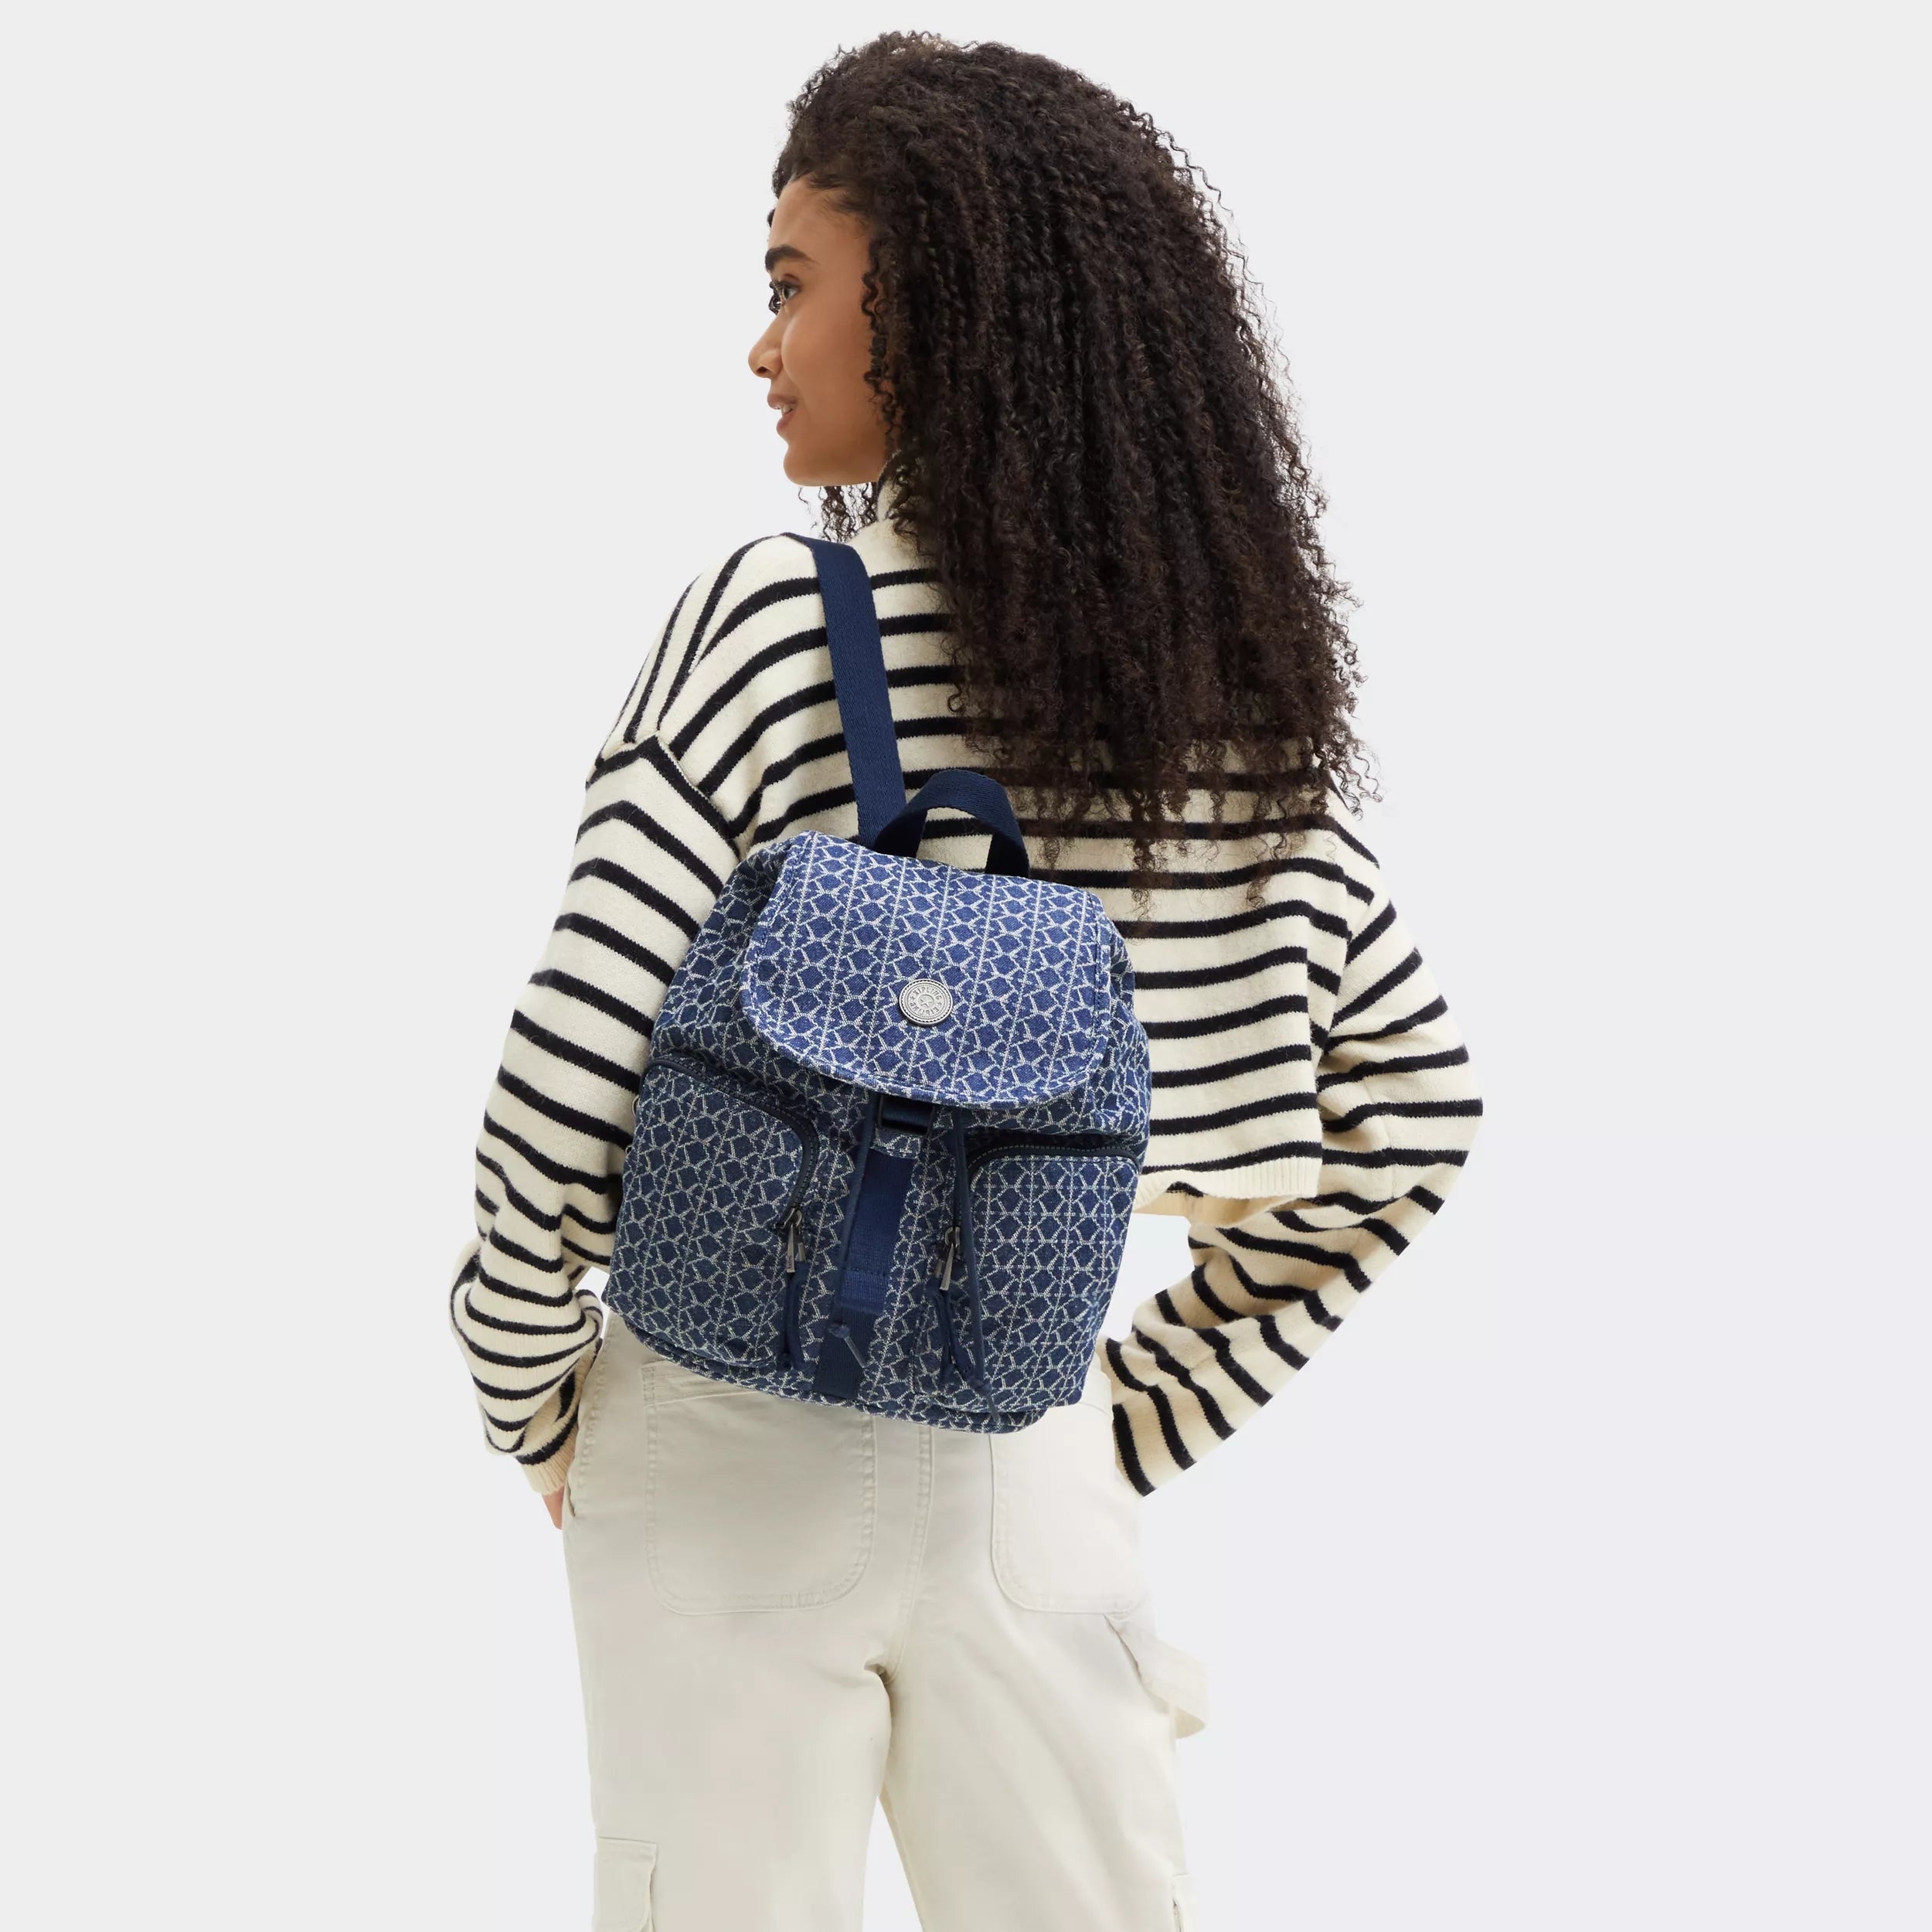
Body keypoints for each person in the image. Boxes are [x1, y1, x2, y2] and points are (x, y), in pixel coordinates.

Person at [445, 31, 1483, 1930]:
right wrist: (1116, 1418)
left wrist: (530, 1392)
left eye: (789, 283)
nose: (759, 346)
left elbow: (565, 1081)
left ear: (919, 305)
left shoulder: (770, 623)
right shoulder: (1210, 702)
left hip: (713, 1436)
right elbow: (1406, 1116)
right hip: (1027, 1445)